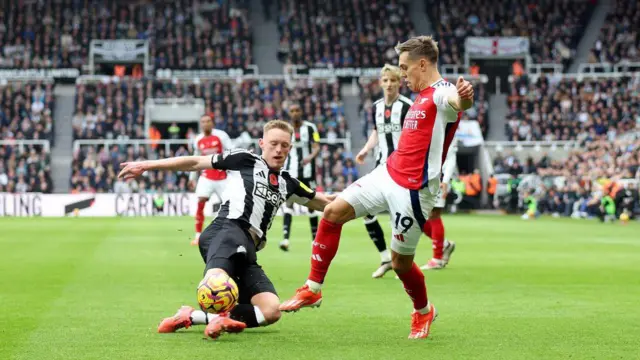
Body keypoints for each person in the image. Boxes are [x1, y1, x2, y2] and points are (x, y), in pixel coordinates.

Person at [279, 36, 475, 339]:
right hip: (386, 173)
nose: (402, 74)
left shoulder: (440, 93)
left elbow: (457, 101)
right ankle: (313, 288)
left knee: (400, 264)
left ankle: (423, 311)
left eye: (404, 67)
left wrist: (464, 97)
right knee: (332, 212)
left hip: (414, 192)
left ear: (422, 64)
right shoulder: (416, 97)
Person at [118, 120, 336, 340]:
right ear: (262, 143)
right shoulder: (245, 160)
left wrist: (361, 200)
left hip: (249, 249)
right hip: (227, 229)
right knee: (215, 284)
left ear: (291, 147)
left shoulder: (289, 182)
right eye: (273, 144)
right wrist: (147, 165)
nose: (278, 150)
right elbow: (195, 162)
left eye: (284, 145)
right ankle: (217, 313)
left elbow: (326, 203)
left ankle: (191, 316)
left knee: (271, 311)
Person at [355, 64, 413, 278]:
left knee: (397, 217)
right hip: (381, 167)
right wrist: (365, 149)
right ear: (380, 82)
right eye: (386, 80)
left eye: (393, 81)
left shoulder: (408, 106)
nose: (389, 84)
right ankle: (385, 257)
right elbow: (376, 132)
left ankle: (400, 263)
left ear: (400, 83)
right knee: (367, 211)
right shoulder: (377, 106)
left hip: (402, 169)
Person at [279, 102, 321, 251]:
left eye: (297, 110)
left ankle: (314, 240)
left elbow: (317, 146)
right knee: (288, 203)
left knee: (311, 204)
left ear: (301, 111)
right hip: (290, 172)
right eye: (292, 111)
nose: (295, 113)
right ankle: (285, 240)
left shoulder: (310, 128)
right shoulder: (284, 129)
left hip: (307, 172)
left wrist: (309, 157)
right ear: (289, 113)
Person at [190, 114, 234, 246]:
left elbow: (231, 152)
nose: (205, 124)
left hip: (222, 176)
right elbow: (195, 158)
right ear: (201, 124)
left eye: (208, 121)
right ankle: (198, 235)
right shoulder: (198, 139)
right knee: (200, 202)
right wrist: (192, 177)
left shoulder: (221, 136)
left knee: (231, 205)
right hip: (206, 176)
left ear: (212, 123)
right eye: (203, 122)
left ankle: (231, 233)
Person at [420, 138, 457, 270]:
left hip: (438, 178)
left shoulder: (446, 123)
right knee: (419, 217)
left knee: (434, 214)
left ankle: (437, 258)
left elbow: (451, 155)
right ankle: (445, 245)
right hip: (423, 176)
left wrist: (446, 180)